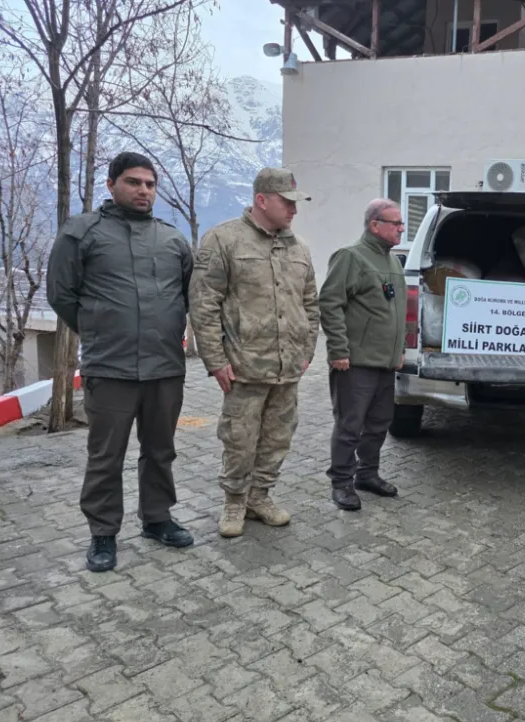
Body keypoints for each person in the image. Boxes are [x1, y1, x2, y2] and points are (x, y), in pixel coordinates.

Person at [46, 152, 194, 572]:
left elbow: (187, 296)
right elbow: (61, 294)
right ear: (111, 185)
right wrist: (100, 329)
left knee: (161, 450)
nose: (143, 190)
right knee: (106, 455)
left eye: (150, 184)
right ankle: (103, 533)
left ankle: (157, 519)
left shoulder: (172, 240)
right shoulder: (82, 233)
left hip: (164, 367)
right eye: (133, 182)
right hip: (110, 368)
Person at [189, 167, 320, 538]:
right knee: (240, 439)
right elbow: (203, 304)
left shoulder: (299, 248)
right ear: (261, 200)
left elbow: (311, 303)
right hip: (244, 367)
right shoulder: (224, 240)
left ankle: (259, 496)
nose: (294, 210)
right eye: (287, 202)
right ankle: (234, 501)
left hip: (287, 367)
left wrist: (307, 350)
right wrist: (215, 361)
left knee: (278, 437)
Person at [319, 198, 407, 512]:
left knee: (380, 422)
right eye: (396, 223)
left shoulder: (393, 262)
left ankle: (367, 474)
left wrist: (399, 350)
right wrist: (338, 350)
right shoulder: (351, 257)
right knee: (349, 425)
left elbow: (396, 312)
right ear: (374, 225)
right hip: (355, 363)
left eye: (401, 223)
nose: (401, 228)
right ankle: (342, 482)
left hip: (385, 362)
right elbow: (330, 303)